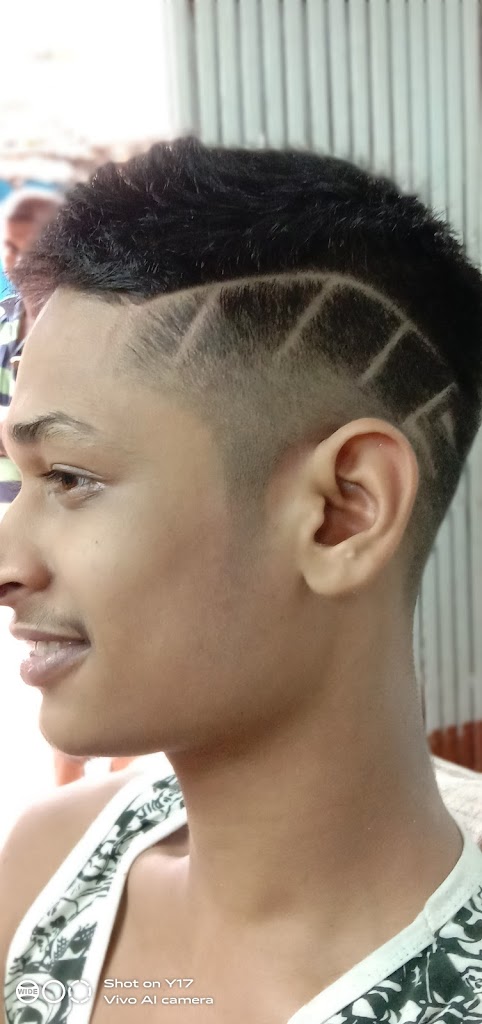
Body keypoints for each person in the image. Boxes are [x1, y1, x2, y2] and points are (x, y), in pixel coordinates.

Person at [1, 137, 482, 1023]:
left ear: (342, 512)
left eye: (70, 477)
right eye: (15, 479)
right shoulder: (46, 877)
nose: (7, 564)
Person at [0, 188, 64, 508]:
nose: (19, 261)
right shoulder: (2, 316)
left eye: (32, 248)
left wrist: (12, 435)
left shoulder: (85, 328)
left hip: (50, 507)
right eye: (10, 248)